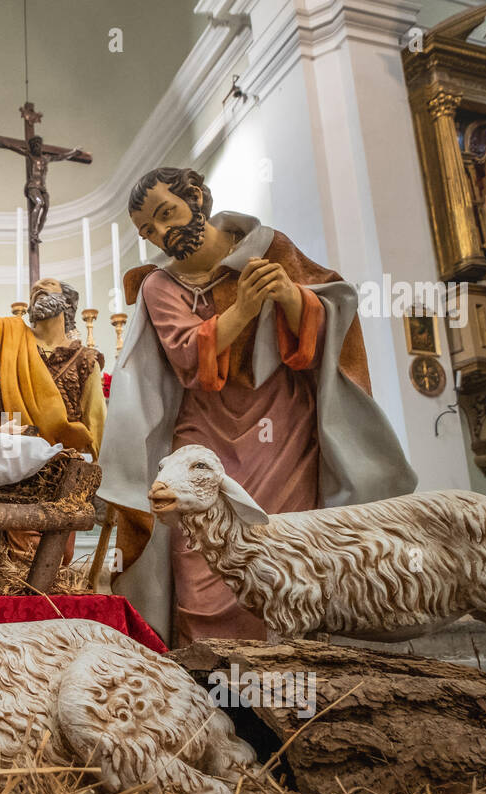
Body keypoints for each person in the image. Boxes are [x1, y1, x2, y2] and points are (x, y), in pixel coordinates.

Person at [99, 166, 416, 646]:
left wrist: (291, 296)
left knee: (279, 545)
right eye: (149, 231)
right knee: (199, 558)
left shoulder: (269, 248)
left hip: (282, 427)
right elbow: (187, 357)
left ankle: (285, 666)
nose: (162, 234)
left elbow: (329, 323)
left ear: (198, 197)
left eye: (167, 215)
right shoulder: (159, 286)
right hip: (203, 431)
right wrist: (243, 308)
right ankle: (205, 673)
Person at [0, 239, 104, 457]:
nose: (38, 288)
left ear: (68, 303)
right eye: (33, 290)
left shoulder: (85, 359)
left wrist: (93, 465)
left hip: (64, 461)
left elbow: (95, 422)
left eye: (48, 284)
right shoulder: (11, 336)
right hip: (13, 455)